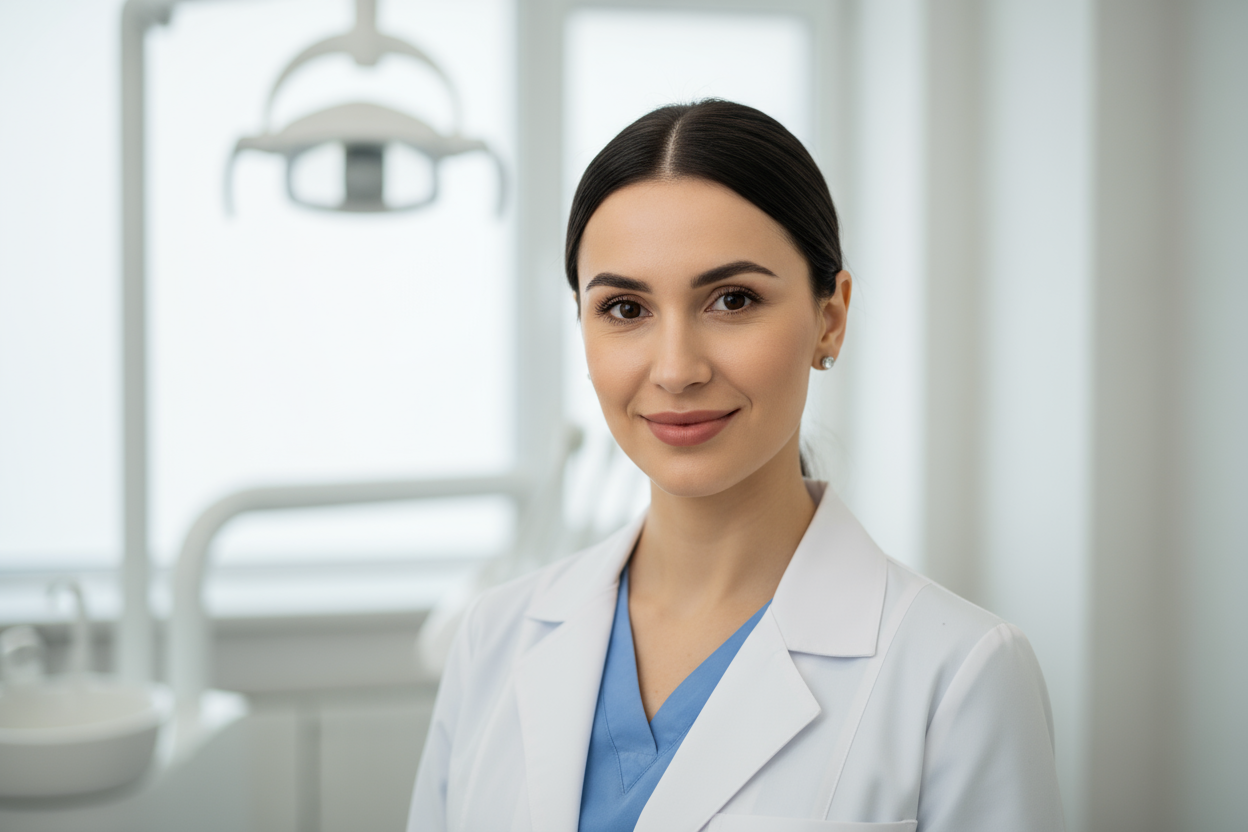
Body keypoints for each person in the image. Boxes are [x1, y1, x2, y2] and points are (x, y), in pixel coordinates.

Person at [407, 100, 1066, 832]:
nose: (676, 369)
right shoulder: (494, 639)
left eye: (732, 299)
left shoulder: (960, 675)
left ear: (830, 317)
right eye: (625, 308)